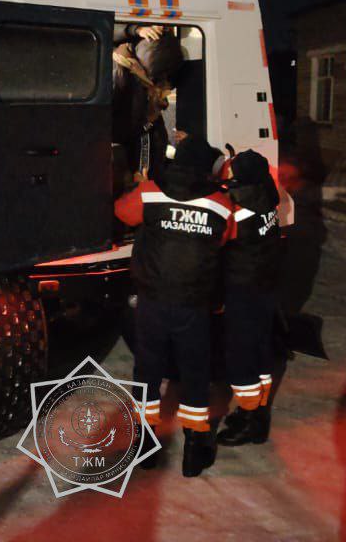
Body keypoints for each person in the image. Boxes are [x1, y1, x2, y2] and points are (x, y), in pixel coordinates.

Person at [114, 135, 234, 477]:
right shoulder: (221, 204)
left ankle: (144, 446)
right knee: (196, 373)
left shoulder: (151, 191)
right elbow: (227, 236)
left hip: (152, 301)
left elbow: (122, 212)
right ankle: (195, 449)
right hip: (194, 305)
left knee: (147, 371)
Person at [216, 150, 284, 447]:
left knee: (241, 355)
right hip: (265, 285)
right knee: (260, 350)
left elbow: (217, 242)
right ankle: (258, 413)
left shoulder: (238, 210)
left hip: (242, 288)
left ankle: (249, 419)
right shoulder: (266, 197)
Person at [112, 25, 184, 187]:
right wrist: (134, 29)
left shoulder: (139, 73)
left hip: (142, 139)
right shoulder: (121, 74)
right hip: (129, 145)